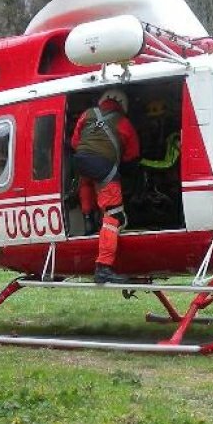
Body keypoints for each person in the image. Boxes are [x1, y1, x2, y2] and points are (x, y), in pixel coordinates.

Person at [69, 89, 141, 284]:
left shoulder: (87, 114)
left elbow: (75, 141)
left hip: (80, 160)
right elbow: (132, 155)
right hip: (103, 166)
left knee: (86, 180)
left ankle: (88, 221)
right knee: (113, 215)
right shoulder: (124, 123)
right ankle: (103, 267)